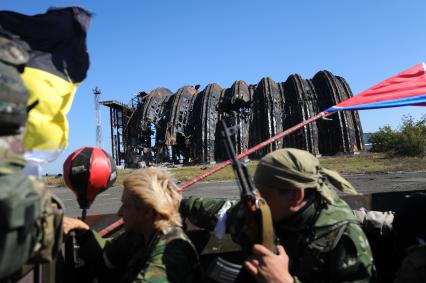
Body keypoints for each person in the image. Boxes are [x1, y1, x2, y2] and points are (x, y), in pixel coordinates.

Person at [181, 148, 376, 283]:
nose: (259, 199)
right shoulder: (268, 211)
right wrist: (180, 203)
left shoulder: (342, 238)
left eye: (265, 193)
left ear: (295, 196)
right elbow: (225, 212)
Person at [63, 167, 202, 283]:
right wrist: (83, 231)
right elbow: (105, 257)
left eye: (126, 205)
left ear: (147, 212)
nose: (120, 212)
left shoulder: (172, 252)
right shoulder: (139, 236)